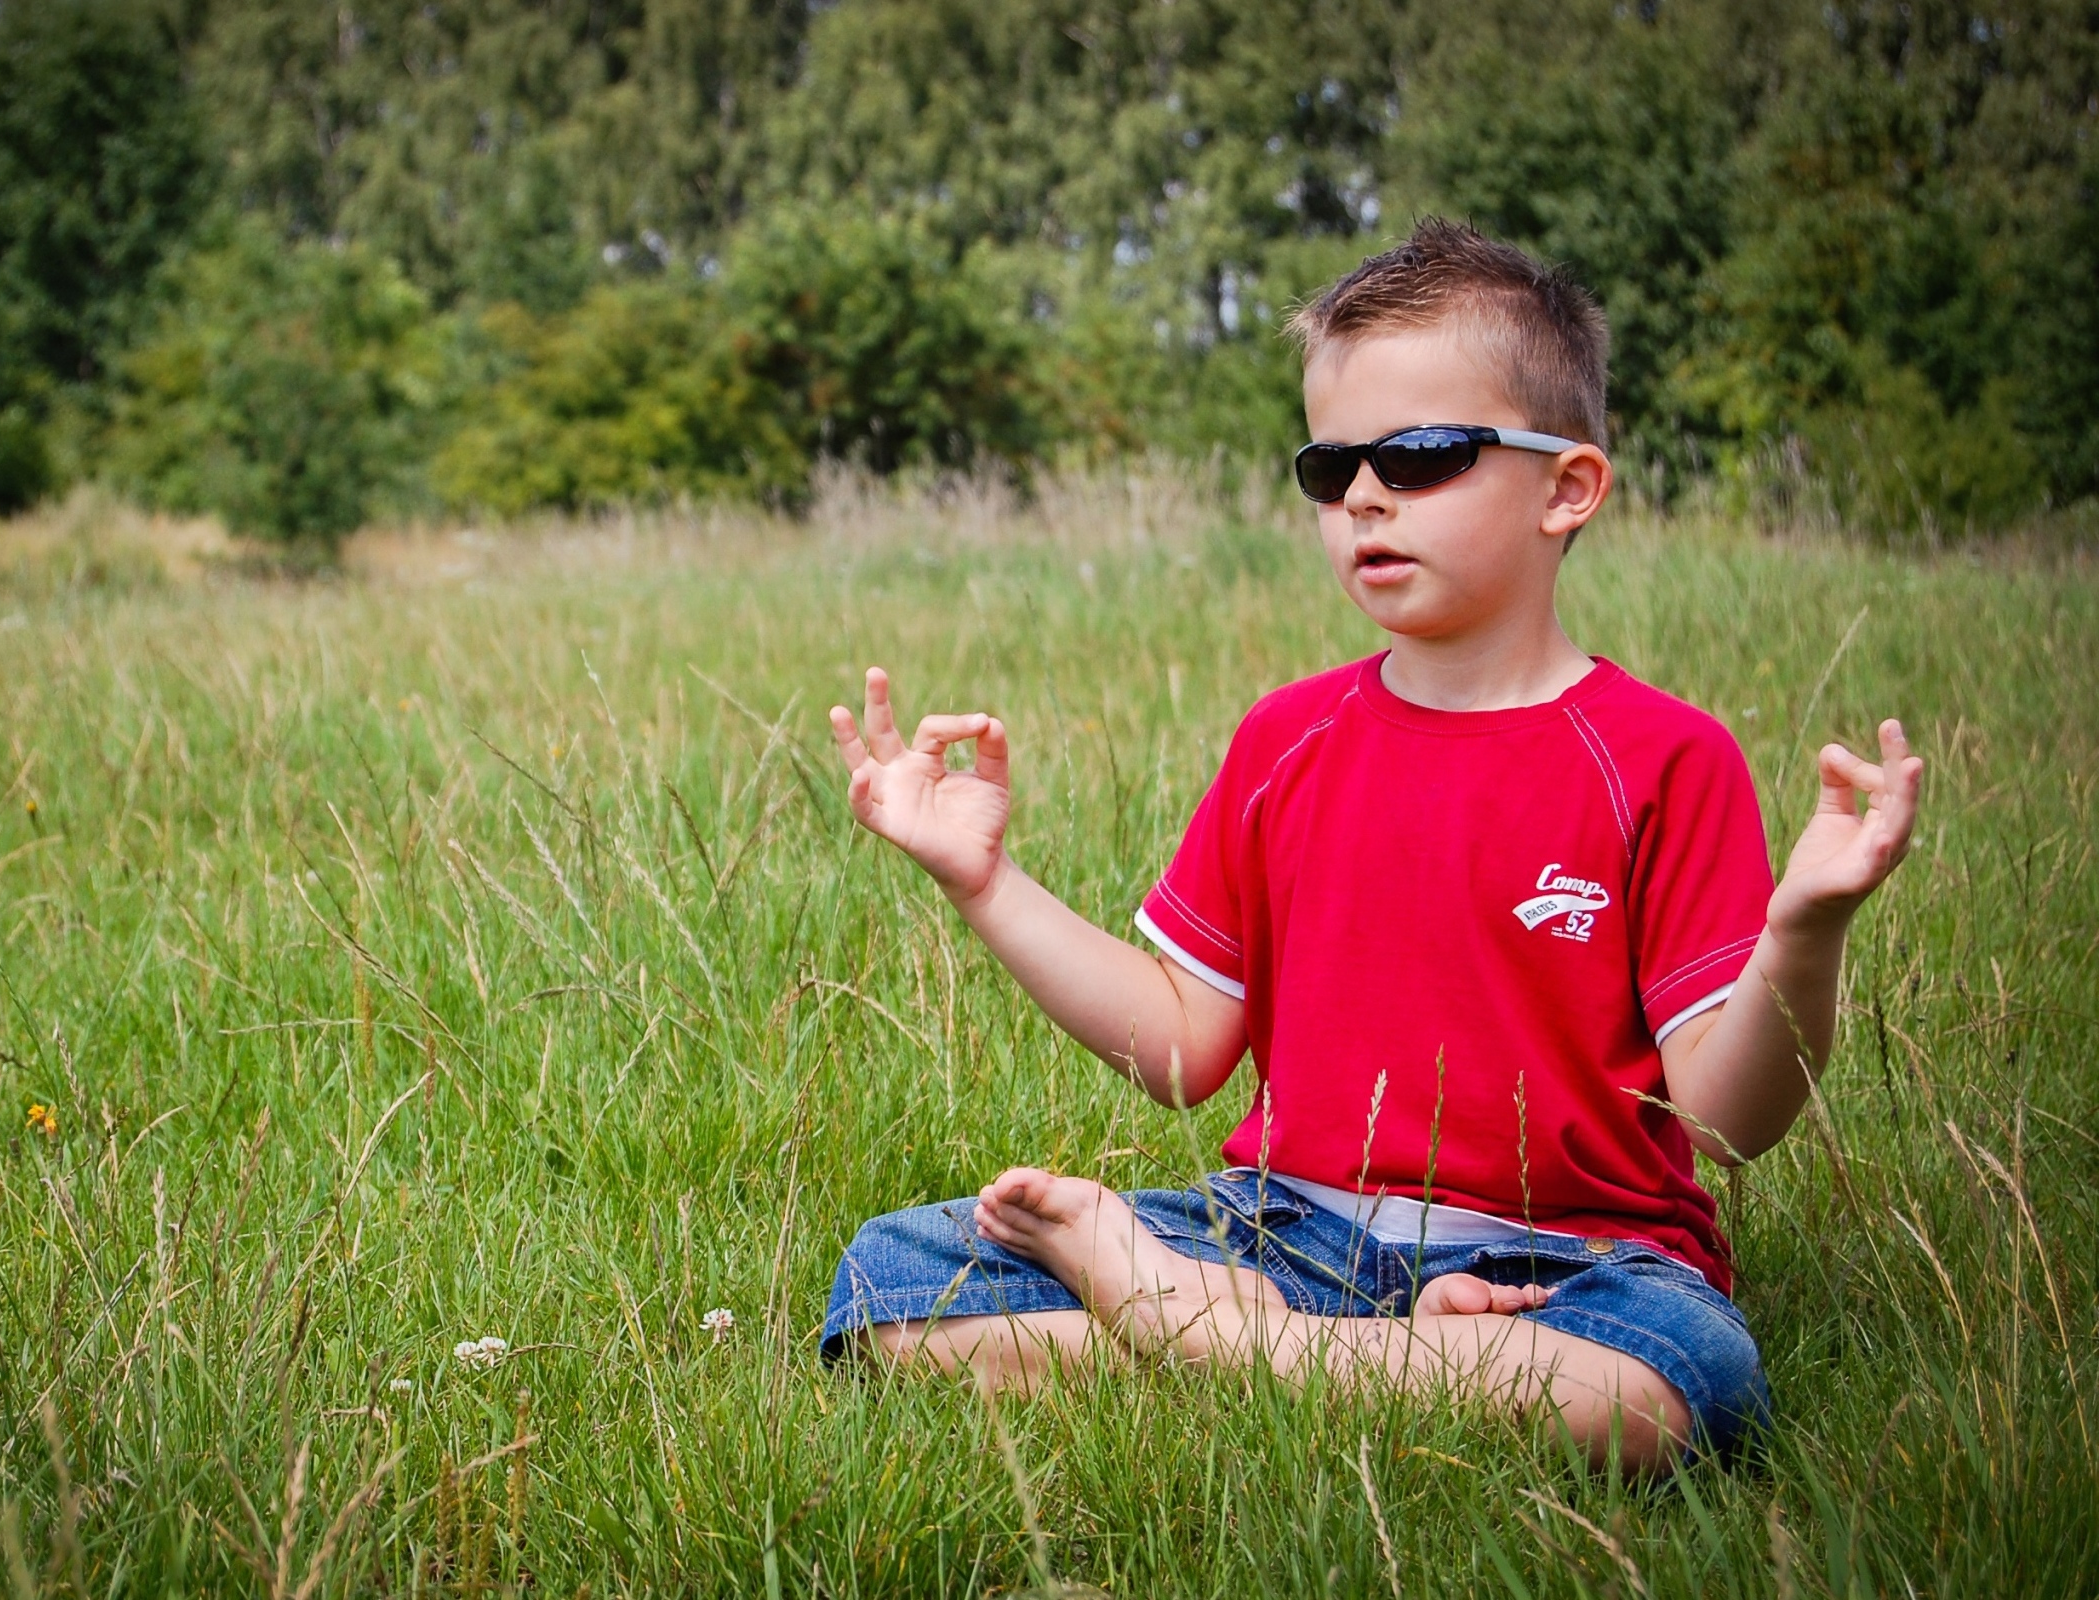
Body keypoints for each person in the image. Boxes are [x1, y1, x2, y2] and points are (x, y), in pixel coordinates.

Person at [816, 219, 1925, 1471]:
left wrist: (1805, 930)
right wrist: (984, 880)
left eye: (1423, 453)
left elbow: (1724, 1123)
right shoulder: (1286, 740)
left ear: (1568, 487)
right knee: (894, 1281)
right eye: (1330, 463)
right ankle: (1325, 1354)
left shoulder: (1662, 758)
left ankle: (1205, 1340)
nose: (1362, 495)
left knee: (1671, 1393)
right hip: (1284, 1231)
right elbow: (1185, 1046)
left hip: (1572, 1265)